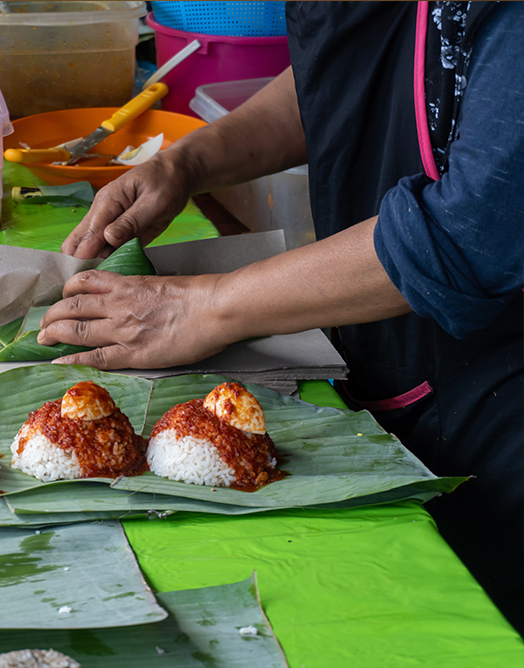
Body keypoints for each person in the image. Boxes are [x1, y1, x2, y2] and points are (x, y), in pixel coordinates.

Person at [38, 2, 523, 632]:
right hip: (393, 356)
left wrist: (205, 307)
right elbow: (343, 79)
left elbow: (470, 232)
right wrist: (190, 162)